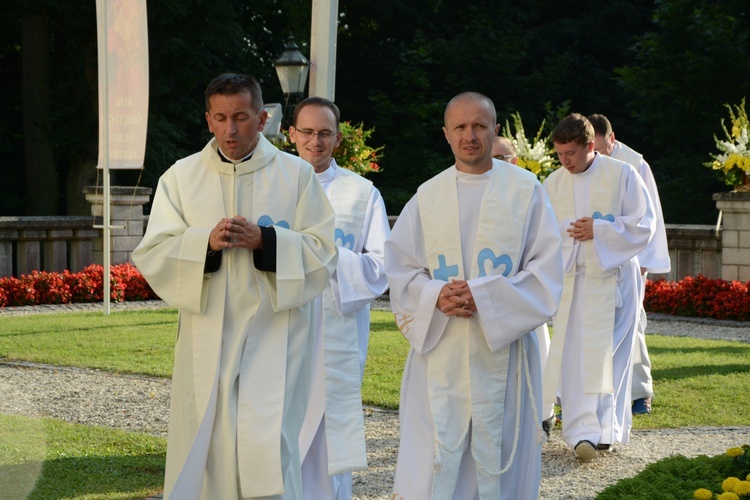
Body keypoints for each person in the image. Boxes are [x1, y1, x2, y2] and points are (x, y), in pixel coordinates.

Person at [131, 73, 338, 499]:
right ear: (208, 120)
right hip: (208, 332)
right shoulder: (181, 177)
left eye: (241, 117)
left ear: (263, 119)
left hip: (275, 335)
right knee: (208, 442)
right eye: (221, 117)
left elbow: (323, 251)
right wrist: (203, 243)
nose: (231, 129)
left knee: (269, 442)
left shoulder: (296, 176)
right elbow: (153, 251)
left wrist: (266, 240)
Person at [385, 92, 563, 499]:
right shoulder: (427, 195)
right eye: (461, 127)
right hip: (440, 344)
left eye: (479, 126)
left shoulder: (526, 190)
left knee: (501, 450)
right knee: (436, 452)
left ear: (494, 130)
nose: (470, 135)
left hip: (506, 354)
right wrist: (435, 296)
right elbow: (399, 267)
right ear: (446, 135)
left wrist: (484, 296)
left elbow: (547, 270)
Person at [288, 97, 390, 499]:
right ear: (292, 134)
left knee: (331, 430)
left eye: (325, 133)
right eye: (308, 132)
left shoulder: (362, 193)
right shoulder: (272, 184)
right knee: (282, 419)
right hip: (282, 325)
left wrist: (328, 256)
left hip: (337, 325)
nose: (316, 141)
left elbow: (383, 265)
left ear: (338, 138)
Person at [541, 113, 655, 461]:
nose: (565, 162)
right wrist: (567, 232)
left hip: (614, 281)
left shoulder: (622, 175)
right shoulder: (553, 183)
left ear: (591, 146)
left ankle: (604, 431)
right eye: (559, 154)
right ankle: (580, 434)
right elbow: (542, 233)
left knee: (607, 356)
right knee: (573, 355)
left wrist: (600, 230)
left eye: (571, 154)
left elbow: (643, 224)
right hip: (573, 282)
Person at [588, 113, 671, 415]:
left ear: (612, 139)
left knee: (634, 323)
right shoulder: (584, 164)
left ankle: (640, 391)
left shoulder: (635, 165)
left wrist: (645, 261)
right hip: (594, 261)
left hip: (630, 259)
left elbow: (650, 217)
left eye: (600, 148)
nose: (595, 155)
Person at [492, 135, 557, 437]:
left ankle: (541, 413)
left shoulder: (529, 190)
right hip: (486, 287)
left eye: (501, 158)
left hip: (520, 286)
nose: (494, 164)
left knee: (536, 350)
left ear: (515, 160)